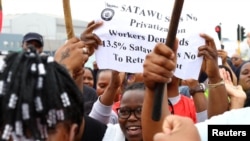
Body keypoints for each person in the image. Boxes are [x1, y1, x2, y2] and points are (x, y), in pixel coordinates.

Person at [141, 33, 229, 141]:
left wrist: (214, 76)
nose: (167, 62)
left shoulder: (191, 105)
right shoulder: (138, 100)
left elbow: (216, 129)